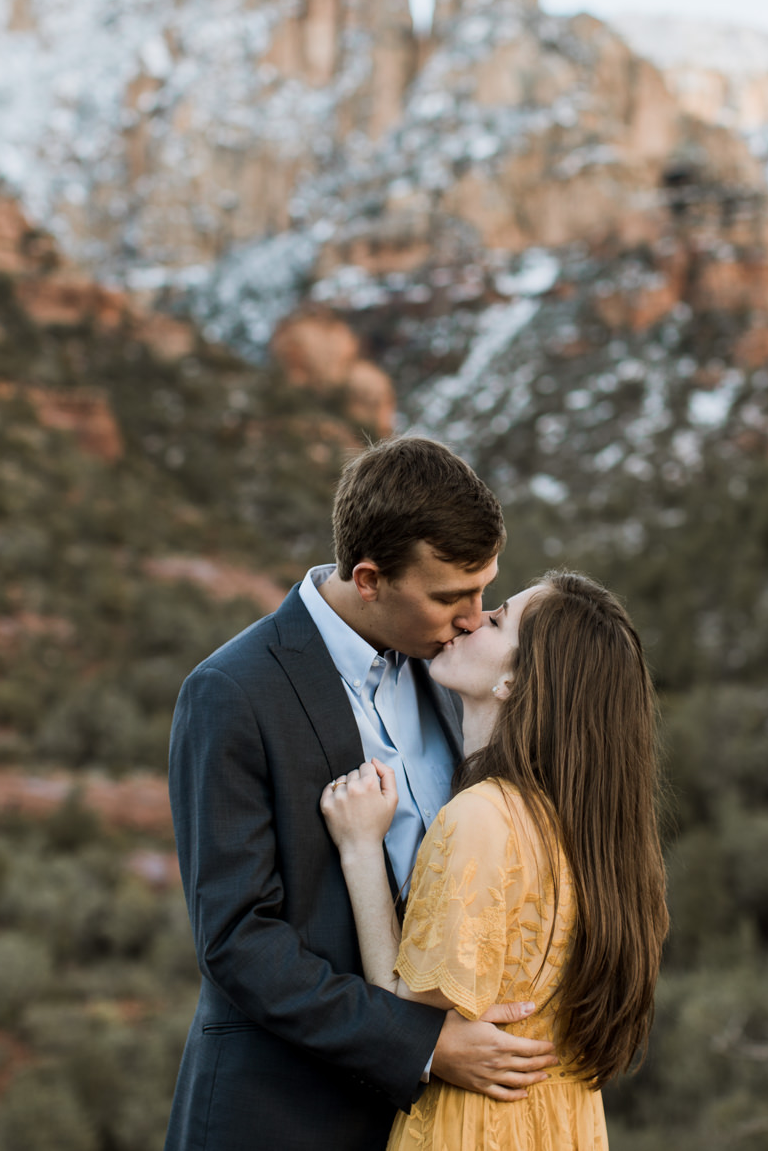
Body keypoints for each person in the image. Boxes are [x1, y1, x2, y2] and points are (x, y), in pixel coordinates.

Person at [166, 438, 559, 1151]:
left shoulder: (454, 677)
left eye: (484, 590)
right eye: (450, 597)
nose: (474, 617)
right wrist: (424, 1044)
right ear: (371, 578)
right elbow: (236, 939)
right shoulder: (231, 692)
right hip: (281, 1115)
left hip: (435, 1125)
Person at [320, 571, 668, 1150]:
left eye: (499, 619)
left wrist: (359, 849)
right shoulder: (586, 832)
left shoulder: (481, 819)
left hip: (477, 1129)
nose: (473, 618)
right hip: (566, 1127)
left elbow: (403, 1017)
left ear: (513, 679)